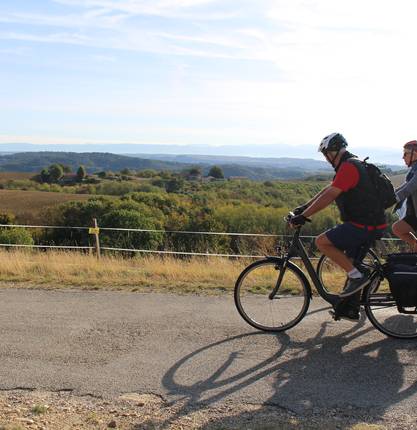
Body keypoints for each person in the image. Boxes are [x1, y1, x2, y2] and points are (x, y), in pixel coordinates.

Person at [290, 133, 387, 320]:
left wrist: (304, 216)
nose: (326, 159)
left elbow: (330, 196)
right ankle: (350, 309)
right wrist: (303, 208)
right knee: (351, 262)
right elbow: (327, 190)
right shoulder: (349, 164)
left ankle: (358, 276)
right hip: (369, 222)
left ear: (335, 151)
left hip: (364, 225)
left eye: (327, 154)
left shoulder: (349, 167)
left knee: (322, 242)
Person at [392, 140, 417, 251]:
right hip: (415, 214)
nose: (403, 157)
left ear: (415, 154)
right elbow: (404, 186)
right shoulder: (413, 170)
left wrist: (393, 199)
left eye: (405, 154)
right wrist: (388, 196)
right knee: (398, 228)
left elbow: (409, 188)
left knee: (397, 228)